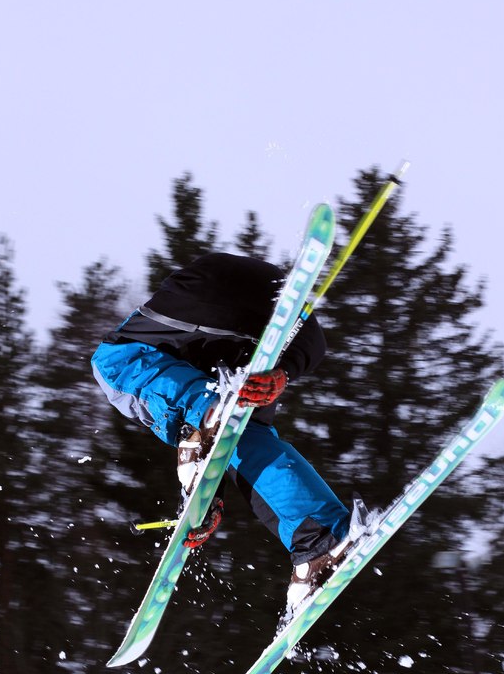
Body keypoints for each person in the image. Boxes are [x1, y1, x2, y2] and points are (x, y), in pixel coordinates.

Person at [91, 251, 369, 630]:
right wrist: (206, 495)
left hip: (210, 291)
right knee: (248, 439)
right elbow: (314, 343)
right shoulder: (243, 393)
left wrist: (200, 490)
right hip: (279, 310)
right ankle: (320, 541)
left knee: (111, 362)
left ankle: (202, 414)